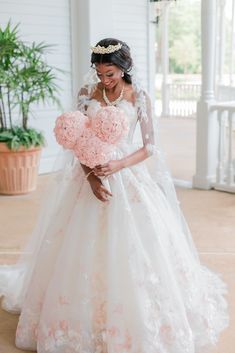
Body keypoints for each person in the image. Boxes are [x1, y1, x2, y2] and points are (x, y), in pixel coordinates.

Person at [0, 38, 229, 353]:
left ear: (124, 68)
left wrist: (119, 164)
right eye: (99, 72)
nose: (104, 80)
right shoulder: (87, 94)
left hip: (127, 175)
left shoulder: (139, 97)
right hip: (89, 176)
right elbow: (78, 139)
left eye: (110, 73)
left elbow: (149, 147)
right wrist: (91, 176)